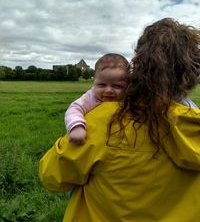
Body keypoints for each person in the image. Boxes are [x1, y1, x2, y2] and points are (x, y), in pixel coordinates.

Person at [39, 18, 200, 222]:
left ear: (139, 65)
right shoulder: (194, 125)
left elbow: (51, 177)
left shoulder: (106, 118)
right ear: (192, 74)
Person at [65, 53, 129, 144]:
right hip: (92, 141)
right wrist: (77, 127)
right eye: (102, 85)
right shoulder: (91, 97)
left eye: (117, 86)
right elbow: (74, 109)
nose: (108, 90)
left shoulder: (128, 98)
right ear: (94, 80)